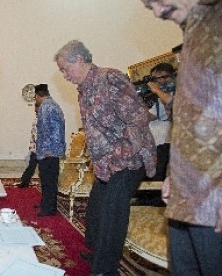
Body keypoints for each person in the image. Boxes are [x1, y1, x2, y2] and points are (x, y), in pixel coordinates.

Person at [54, 40, 157, 275]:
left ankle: (105, 269)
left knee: (112, 214)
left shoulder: (110, 78)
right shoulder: (83, 90)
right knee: (95, 212)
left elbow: (138, 119)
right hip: (106, 165)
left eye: (64, 69)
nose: (64, 75)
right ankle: (97, 253)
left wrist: (120, 159)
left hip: (129, 161)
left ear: (79, 60)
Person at [141, 0, 222, 274]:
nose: (156, 12)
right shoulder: (194, 35)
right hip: (185, 192)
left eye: (157, 1)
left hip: (213, 198)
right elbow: (190, 118)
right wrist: (173, 174)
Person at [134, 63, 176, 206]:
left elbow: (171, 107)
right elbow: (146, 117)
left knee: (159, 176)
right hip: (155, 144)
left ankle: (155, 201)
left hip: (166, 144)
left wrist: (157, 90)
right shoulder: (158, 99)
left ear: (168, 77)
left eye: (156, 79)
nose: (153, 83)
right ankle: (146, 199)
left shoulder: (173, 95)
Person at [34, 84, 66, 217]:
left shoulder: (47, 107)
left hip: (49, 151)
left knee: (49, 181)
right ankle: (46, 203)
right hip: (50, 150)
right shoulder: (52, 104)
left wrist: (48, 149)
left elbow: (51, 130)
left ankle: (49, 208)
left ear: (37, 95)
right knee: (47, 179)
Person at [16, 102, 40, 188]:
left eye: (36, 108)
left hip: (41, 149)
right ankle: (24, 182)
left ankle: (25, 182)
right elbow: (33, 134)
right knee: (31, 166)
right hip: (35, 148)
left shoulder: (42, 118)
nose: (35, 110)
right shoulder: (36, 118)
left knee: (37, 168)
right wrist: (31, 145)